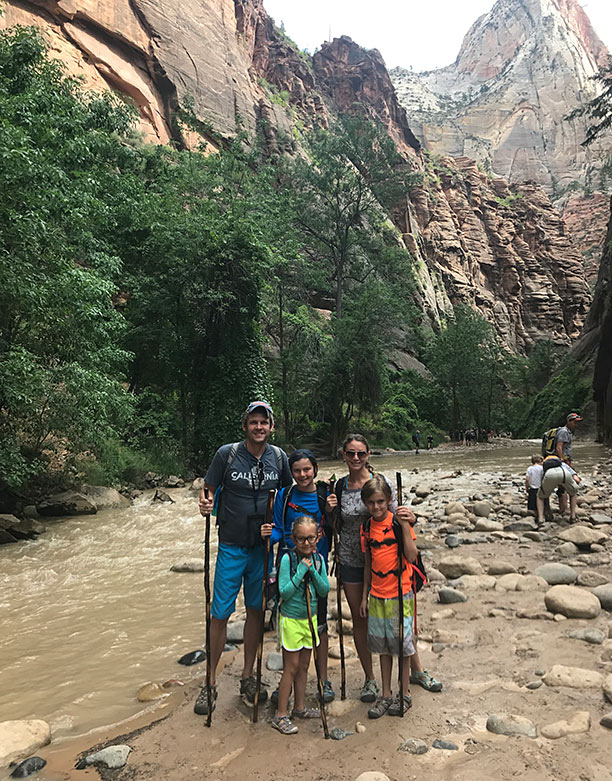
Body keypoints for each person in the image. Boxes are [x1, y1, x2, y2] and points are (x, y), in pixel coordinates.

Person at [326, 434, 441, 701]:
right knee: (360, 619)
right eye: (351, 453)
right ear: (343, 455)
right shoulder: (340, 487)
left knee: (400, 620)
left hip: (388, 561)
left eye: (361, 453)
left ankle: (417, 670)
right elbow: (333, 524)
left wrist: (411, 517)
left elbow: (397, 516)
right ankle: (370, 679)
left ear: (368, 455)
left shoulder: (381, 483)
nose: (356, 458)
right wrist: (328, 509)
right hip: (352, 560)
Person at [195, 401, 292, 715]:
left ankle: (248, 676)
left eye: (264, 422)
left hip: (262, 550)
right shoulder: (227, 454)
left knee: (255, 611)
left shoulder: (279, 458)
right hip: (232, 546)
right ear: (245, 425)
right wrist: (205, 503)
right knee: (220, 613)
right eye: (254, 422)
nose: (259, 427)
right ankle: (209, 682)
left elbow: (290, 496)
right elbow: (208, 488)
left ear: (271, 427)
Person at [262, 449, 335, 704]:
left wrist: (332, 511)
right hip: (289, 566)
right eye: (297, 471)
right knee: (290, 622)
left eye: (307, 469)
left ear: (315, 469)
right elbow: (280, 530)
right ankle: (288, 682)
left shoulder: (326, 494)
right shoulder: (285, 495)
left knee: (320, 623)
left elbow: (336, 527)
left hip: (317, 567)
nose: (302, 475)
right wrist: (266, 536)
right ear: (291, 473)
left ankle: (323, 679)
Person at [359, 475, 417, 718]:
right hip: (377, 596)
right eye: (371, 502)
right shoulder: (366, 527)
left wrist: (405, 527)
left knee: (402, 647)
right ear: (365, 503)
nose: (376, 507)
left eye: (381, 501)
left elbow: (412, 557)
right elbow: (368, 563)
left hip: (400, 593)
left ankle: (404, 693)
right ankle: (385, 693)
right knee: (383, 647)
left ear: (389, 500)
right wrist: (365, 596)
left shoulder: (398, 523)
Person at [271, 516, 330, 735]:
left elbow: (324, 590)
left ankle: (299, 707)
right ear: (293, 539)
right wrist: (301, 572)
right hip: (292, 620)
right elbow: (284, 592)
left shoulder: (319, 560)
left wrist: (312, 571)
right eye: (301, 539)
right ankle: (281, 714)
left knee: (305, 665)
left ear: (318, 537)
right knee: (291, 667)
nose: (306, 543)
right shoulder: (288, 559)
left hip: (310, 620)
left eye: (310, 538)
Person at [536, 456, 581, 524]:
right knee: (573, 494)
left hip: (549, 475)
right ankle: (573, 517)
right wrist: (572, 487)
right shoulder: (563, 464)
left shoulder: (544, 466)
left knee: (540, 497)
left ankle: (541, 519)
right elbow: (576, 479)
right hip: (564, 473)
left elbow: (541, 480)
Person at [554, 413, 582, 514]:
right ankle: (565, 508)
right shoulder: (564, 432)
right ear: (568, 421)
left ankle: (563, 508)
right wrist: (562, 460)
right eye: (574, 422)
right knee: (569, 482)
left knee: (563, 484)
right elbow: (559, 447)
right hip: (563, 461)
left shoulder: (568, 432)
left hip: (566, 460)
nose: (576, 424)